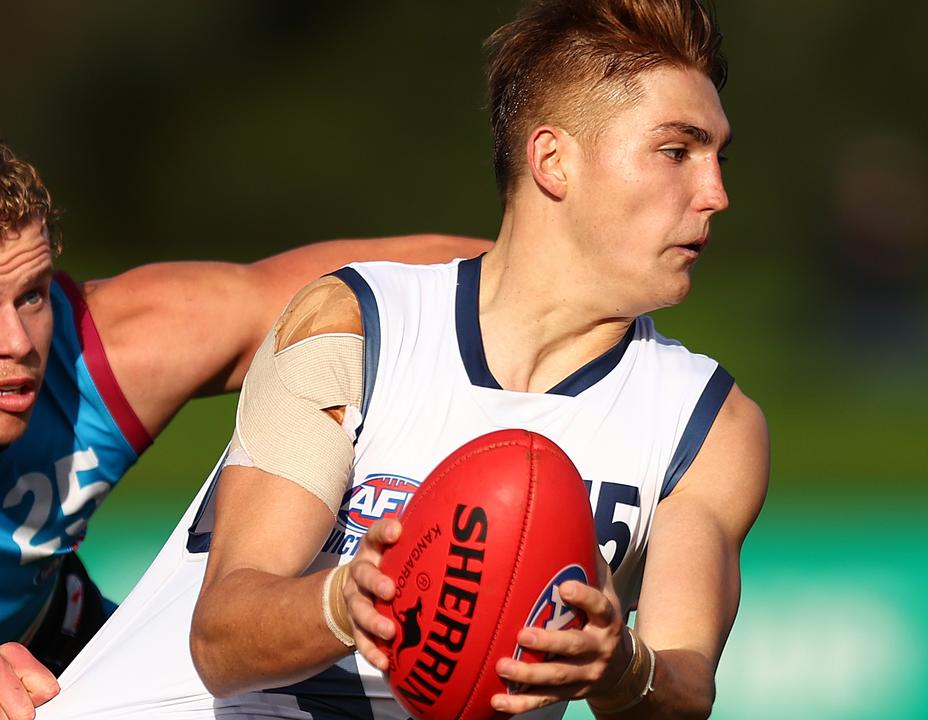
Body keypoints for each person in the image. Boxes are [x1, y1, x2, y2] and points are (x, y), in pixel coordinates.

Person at [40, 0, 769, 718]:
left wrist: (622, 668)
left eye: (719, 157)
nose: (717, 194)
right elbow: (223, 638)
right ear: (553, 160)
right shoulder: (355, 323)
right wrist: (344, 600)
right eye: (677, 151)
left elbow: (684, 686)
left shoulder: (707, 425)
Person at [0, 108, 488, 720]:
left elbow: (360, 288)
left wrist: (583, 288)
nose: (16, 341)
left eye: (31, 294)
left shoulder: (99, 352)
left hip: (60, 666)